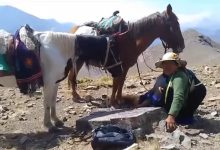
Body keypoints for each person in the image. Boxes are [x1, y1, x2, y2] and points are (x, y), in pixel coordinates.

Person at [138, 52, 206, 132]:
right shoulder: (165, 76)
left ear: (177, 65)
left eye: (170, 64)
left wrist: (171, 116)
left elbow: (179, 96)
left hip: (181, 110)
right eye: (165, 64)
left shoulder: (179, 77)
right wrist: (141, 103)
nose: (167, 66)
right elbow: (153, 91)